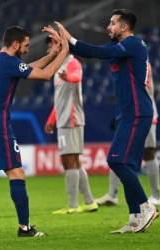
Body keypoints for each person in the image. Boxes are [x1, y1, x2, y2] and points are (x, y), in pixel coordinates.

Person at [0, 26, 69, 239]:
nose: (27, 49)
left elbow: (26, 68)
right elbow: (45, 75)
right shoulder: (9, 63)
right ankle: (25, 228)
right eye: (26, 45)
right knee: (17, 173)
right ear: (16, 44)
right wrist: (64, 51)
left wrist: (53, 53)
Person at [54, 8, 158, 234]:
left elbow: (97, 53)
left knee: (116, 160)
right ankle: (135, 218)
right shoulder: (123, 48)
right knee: (127, 164)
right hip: (128, 112)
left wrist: (70, 39)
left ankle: (145, 206)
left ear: (124, 27)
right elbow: (98, 52)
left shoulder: (132, 43)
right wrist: (67, 44)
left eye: (112, 23)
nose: (108, 27)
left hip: (137, 111)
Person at [95, 63, 160, 206]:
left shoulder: (141, 63)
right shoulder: (128, 63)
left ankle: (156, 196)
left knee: (148, 153)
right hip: (128, 115)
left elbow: (138, 90)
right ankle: (112, 194)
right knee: (117, 153)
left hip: (145, 113)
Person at [44, 37, 98, 215]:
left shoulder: (72, 62)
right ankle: (89, 202)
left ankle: (73, 205)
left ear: (60, 46)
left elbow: (77, 76)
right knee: (73, 160)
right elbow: (59, 98)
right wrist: (52, 119)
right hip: (63, 119)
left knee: (69, 160)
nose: (49, 49)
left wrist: (69, 77)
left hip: (72, 118)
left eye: (52, 45)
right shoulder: (58, 67)